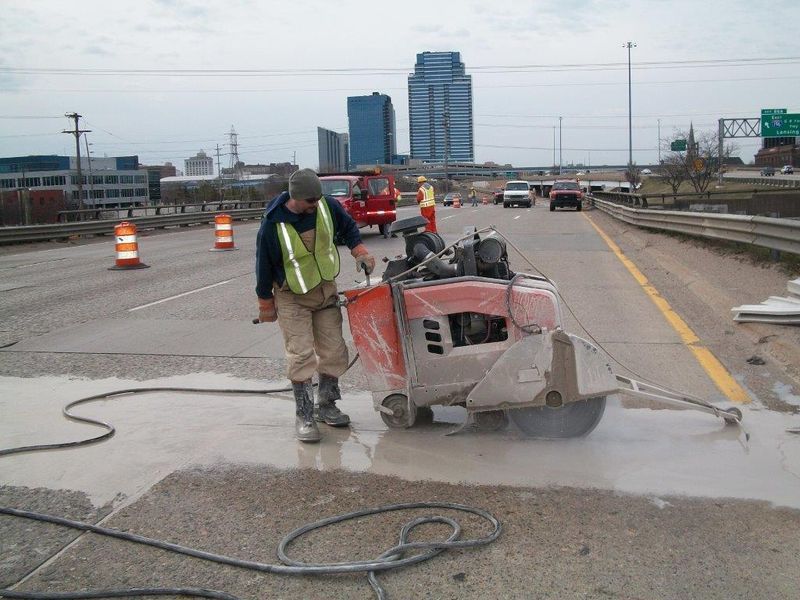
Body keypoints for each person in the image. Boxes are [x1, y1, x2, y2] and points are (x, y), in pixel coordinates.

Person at [255, 169, 375, 443]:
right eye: (310, 201)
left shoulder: (327, 206)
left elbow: (348, 229)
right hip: (291, 297)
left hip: (324, 292)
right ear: (295, 199)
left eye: (318, 199)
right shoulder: (273, 224)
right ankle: (305, 414)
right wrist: (265, 302)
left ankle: (327, 405)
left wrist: (361, 252)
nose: (315, 205)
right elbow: (263, 265)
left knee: (334, 350)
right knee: (301, 356)